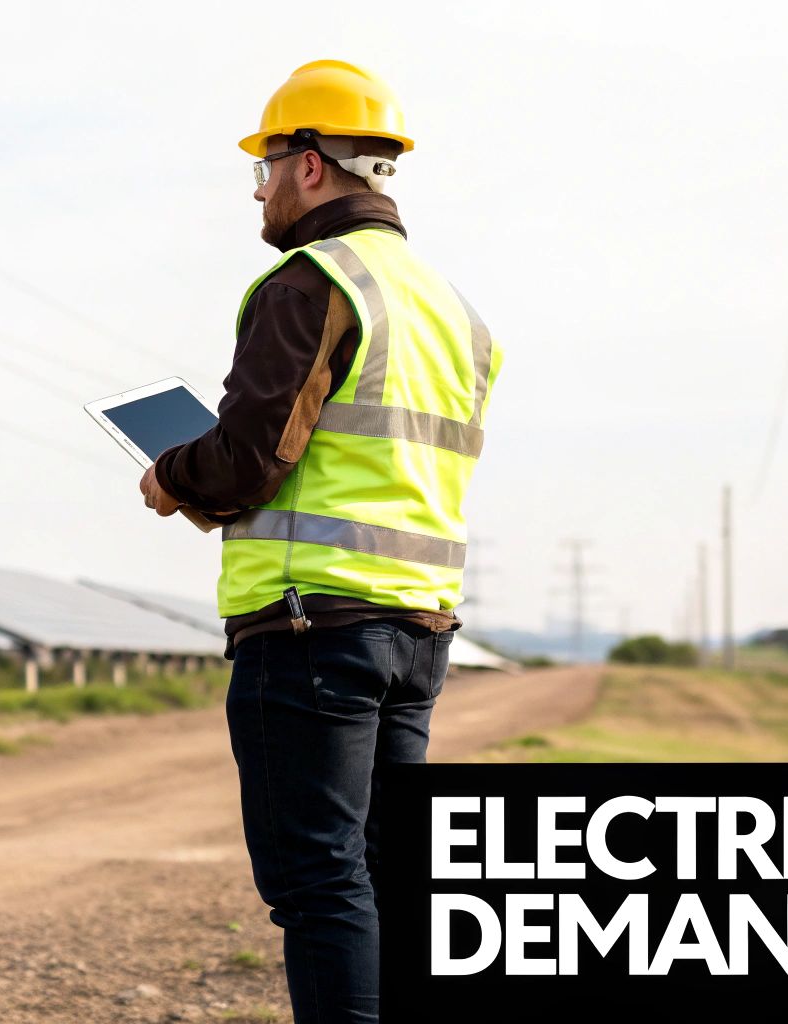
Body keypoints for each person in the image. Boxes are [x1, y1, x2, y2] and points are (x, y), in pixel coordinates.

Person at [137, 59, 503, 1024]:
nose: (259, 192)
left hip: (312, 630)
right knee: (381, 875)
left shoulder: (312, 282)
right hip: (419, 630)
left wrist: (172, 475)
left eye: (265, 169)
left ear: (309, 164)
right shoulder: (454, 311)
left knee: (321, 884)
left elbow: (250, 459)